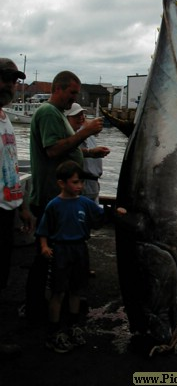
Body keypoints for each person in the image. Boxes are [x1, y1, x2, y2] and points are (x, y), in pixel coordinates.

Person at [26, 71, 104, 321]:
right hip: (51, 198)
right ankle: (37, 306)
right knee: (45, 257)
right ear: (57, 89)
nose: (75, 98)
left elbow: (65, 149)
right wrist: (86, 131)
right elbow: (53, 150)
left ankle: (51, 301)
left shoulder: (56, 113)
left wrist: (90, 155)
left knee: (57, 256)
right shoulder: (48, 112)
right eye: (72, 93)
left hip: (57, 197)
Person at [36, 160, 126, 353]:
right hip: (60, 250)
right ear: (62, 183)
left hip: (80, 250)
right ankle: (54, 332)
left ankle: (73, 325)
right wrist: (44, 246)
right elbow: (43, 229)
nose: (80, 186)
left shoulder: (85, 203)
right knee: (58, 291)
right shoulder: (54, 205)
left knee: (76, 289)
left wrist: (116, 212)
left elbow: (100, 218)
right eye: (75, 182)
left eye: (81, 183)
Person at [0, 58, 32, 357]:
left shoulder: (6, 118)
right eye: (5, 78)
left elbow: (10, 166)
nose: (10, 84)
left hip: (7, 208)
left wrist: (21, 205)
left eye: (13, 79)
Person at [65, 103, 110, 203]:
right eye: (76, 116)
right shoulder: (70, 136)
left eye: (82, 115)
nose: (80, 118)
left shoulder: (88, 133)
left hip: (94, 184)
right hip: (82, 185)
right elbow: (70, 151)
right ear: (67, 119)